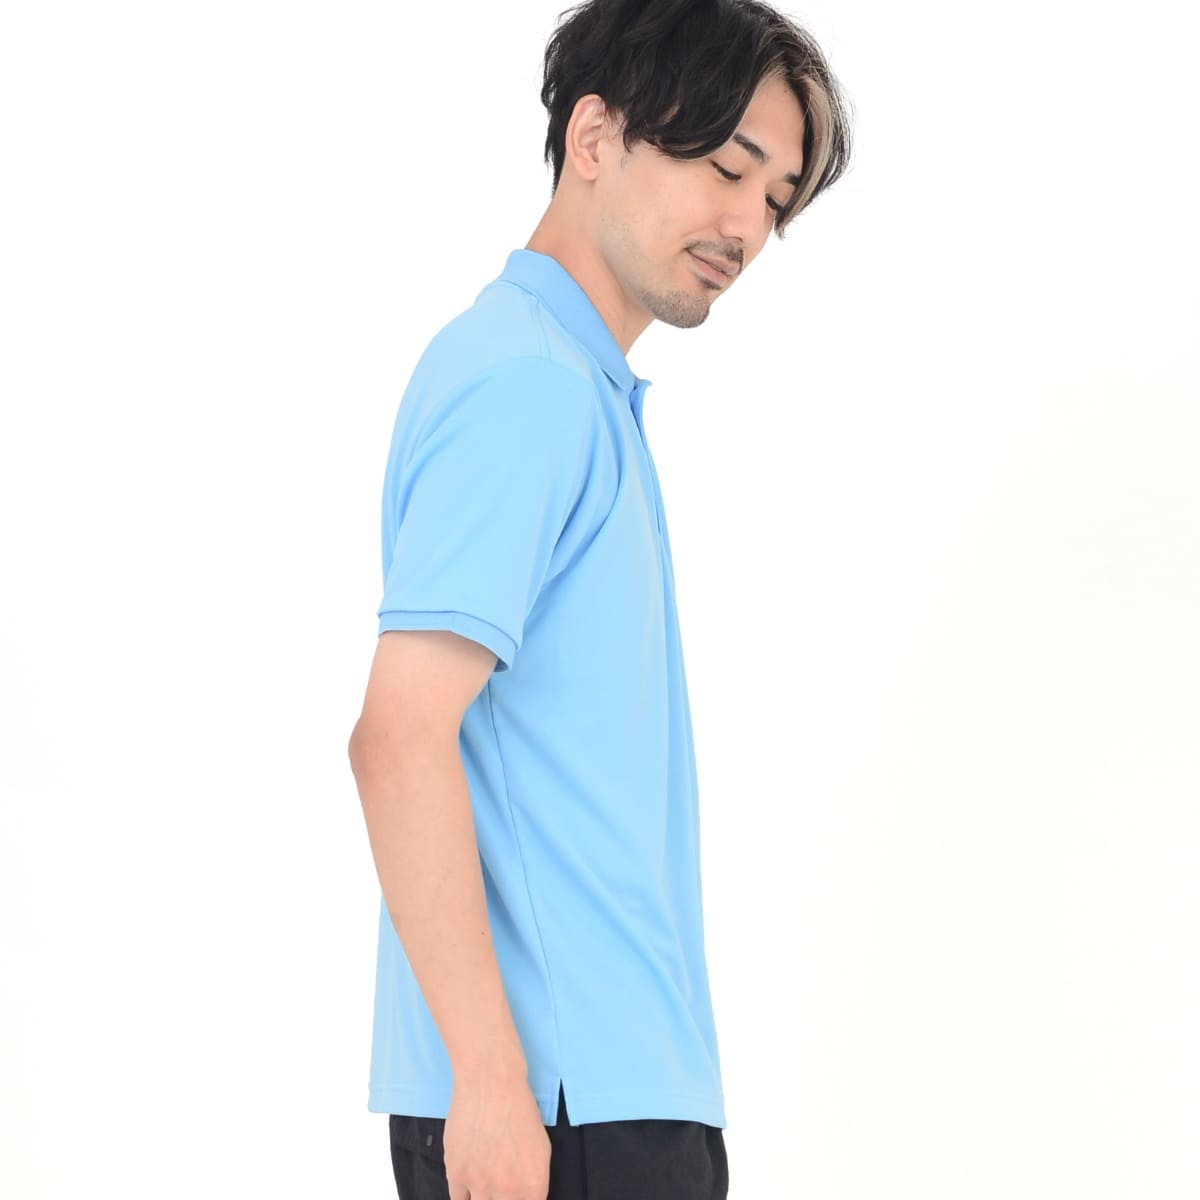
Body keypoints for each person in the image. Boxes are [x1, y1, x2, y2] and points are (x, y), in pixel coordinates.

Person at [347, 1, 853, 1196]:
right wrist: (489, 1082)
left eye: (775, 197)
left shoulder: (565, 382)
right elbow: (398, 735)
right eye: (725, 166)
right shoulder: (528, 385)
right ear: (594, 137)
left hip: (602, 1093)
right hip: (559, 1105)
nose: (748, 225)